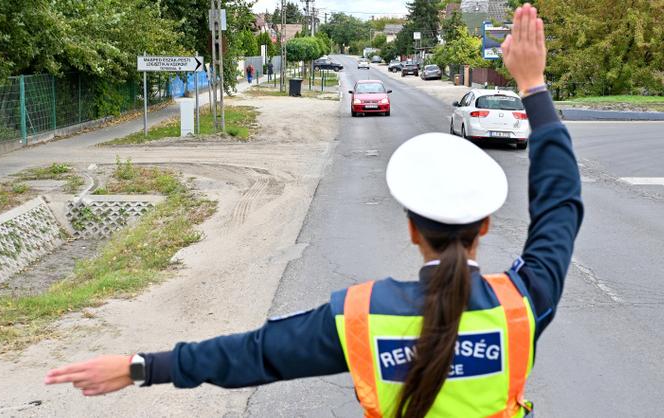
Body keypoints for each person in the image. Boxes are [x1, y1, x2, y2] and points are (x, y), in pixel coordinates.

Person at [46, 4, 583, 417]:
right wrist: (532, 86)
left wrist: (141, 367)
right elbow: (559, 205)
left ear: (411, 228)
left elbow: (254, 354)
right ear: (484, 225)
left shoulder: (363, 317)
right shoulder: (522, 306)